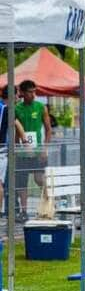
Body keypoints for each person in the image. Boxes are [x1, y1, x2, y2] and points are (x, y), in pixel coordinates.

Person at [15, 79, 52, 222]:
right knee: (21, 181)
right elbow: (15, 131)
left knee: (39, 179)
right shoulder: (17, 109)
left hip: (37, 152)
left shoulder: (41, 107)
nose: (33, 94)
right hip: (22, 152)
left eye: (34, 91)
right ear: (23, 93)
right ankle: (24, 212)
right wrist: (17, 147)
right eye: (30, 92)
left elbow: (49, 130)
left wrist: (44, 148)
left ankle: (50, 203)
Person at [0, 85, 26, 215]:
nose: (18, 97)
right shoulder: (7, 109)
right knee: (0, 184)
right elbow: (17, 125)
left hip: (5, 149)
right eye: (17, 94)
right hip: (1, 150)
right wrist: (26, 141)